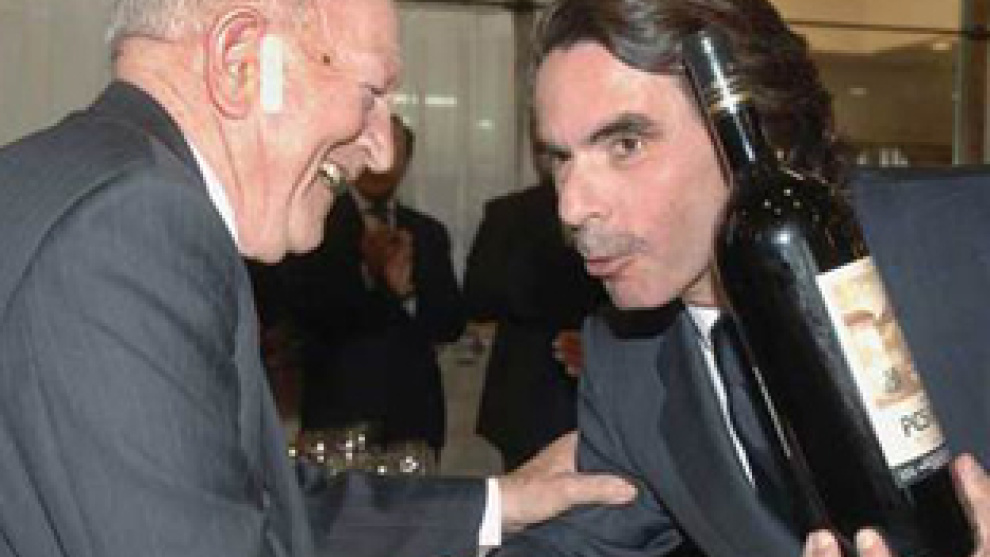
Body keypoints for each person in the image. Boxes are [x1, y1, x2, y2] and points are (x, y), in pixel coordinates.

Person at [0, 0, 637, 556]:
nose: (381, 149)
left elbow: (254, 509)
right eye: (372, 95)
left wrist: (500, 502)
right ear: (240, 62)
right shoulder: (137, 225)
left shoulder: (59, 177)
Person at [493, 0, 990, 556]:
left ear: (756, 125)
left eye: (626, 145)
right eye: (560, 158)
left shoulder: (968, 236)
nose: (571, 206)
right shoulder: (625, 363)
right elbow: (574, 546)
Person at [270, 114, 466, 455]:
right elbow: (309, 316)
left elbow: (450, 324)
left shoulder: (427, 232)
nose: (382, 162)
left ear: (406, 161)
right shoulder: (315, 226)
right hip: (339, 408)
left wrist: (406, 293)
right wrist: (375, 278)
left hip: (415, 412)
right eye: (373, 148)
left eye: (395, 151)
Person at [465, 177, 605, 470]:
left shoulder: (619, 204)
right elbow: (478, 299)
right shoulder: (509, 214)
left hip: (604, 393)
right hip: (524, 395)